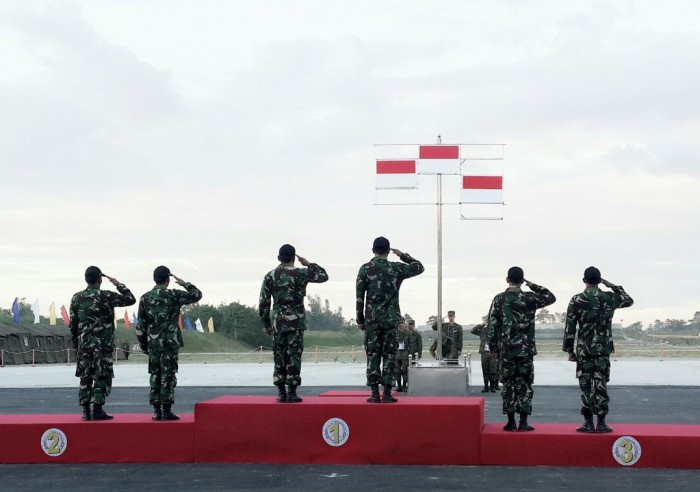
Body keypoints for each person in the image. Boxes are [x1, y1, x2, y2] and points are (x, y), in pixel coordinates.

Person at [563, 267, 634, 433]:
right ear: (599, 280)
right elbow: (628, 300)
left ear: (584, 280)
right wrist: (611, 285)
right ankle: (601, 422)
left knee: (586, 386)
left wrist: (569, 350)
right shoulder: (608, 298)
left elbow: (570, 327)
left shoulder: (577, 299)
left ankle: (588, 422)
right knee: (601, 385)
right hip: (602, 349)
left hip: (584, 350)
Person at [356, 236, 424, 403]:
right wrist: (403, 255)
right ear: (388, 251)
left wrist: (360, 320)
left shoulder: (365, 269)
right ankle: (386, 393)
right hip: (390, 320)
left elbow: (359, 297)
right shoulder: (396, 268)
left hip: (372, 320)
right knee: (389, 355)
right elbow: (419, 267)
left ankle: (373, 393)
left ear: (373, 250)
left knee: (373, 355)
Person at [487, 266, 555, 432]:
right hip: (525, 350)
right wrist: (532, 285)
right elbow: (550, 297)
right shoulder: (529, 298)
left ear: (507, 279)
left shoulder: (499, 299)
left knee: (508, 384)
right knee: (524, 384)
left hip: (507, 350)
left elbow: (492, 326)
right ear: (522, 280)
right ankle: (523, 422)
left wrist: (494, 349)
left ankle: (511, 421)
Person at [259, 244, 328, 403]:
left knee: (279, 355)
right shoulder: (302, 273)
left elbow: (263, 302)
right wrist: (309, 264)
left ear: (279, 258)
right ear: (293, 258)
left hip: (278, 322)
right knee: (294, 356)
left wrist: (266, 324)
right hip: (296, 322)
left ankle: (281, 392)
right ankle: (292, 392)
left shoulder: (271, 275)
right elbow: (323, 276)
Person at [70, 266, 135, 421]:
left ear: (86, 279)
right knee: (102, 376)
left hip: (84, 346)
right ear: (100, 279)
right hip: (102, 346)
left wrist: (76, 345)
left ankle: (86, 411)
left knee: (85, 377)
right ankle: (97, 409)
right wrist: (118, 284)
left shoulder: (76, 298)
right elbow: (130, 299)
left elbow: (73, 325)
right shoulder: (106, 296)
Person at [136, 266, 202, 421]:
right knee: (168, 376)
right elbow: (196, 295)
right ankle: (166, 410)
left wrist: (144, 344)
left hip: (153, 344)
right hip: (170, 344)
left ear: (154, 279)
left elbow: (141, 325)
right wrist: (184, 283)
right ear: (168, 279)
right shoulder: (174, 295)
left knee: (155, 376)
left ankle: (156, 411)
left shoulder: (145, 298)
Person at [471, 316, 499, 393]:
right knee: (485, 370)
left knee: (492, 370)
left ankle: (492, 387)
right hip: (484, 353)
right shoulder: (482, 331)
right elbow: (472, 331)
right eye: (486, 321)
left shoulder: (494, 331)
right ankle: (486, 386)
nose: (487, 323)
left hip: (492, 353)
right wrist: (481, 325)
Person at [395, 319, 410, 392]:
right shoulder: (395, 333)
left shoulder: (407, 333)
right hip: (397, 354)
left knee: (404, 371)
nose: (401, 324)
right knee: (397, 371)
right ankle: (399, 386)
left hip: (405, 354)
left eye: (402, 323)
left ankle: (404, 386)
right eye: (399, 323)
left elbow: (410, 344)